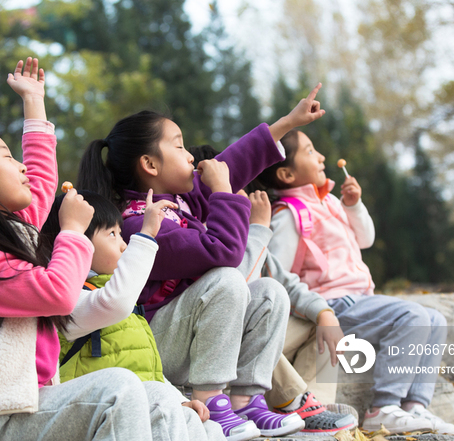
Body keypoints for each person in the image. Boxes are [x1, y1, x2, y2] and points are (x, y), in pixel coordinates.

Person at [0, 57, 180, 441]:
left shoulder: (6, 235)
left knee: (160, 398)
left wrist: (34, 101)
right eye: (6, 157)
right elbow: (59, 294)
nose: (21, 166)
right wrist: (73, 233)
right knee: (117, 390)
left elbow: (42, 179)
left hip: (22, 408)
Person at [76, 84, 326, 440]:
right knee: (226, 278)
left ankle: (245, 399)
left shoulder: (182, 202)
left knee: (270, 293)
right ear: (149, 164)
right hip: (159, 345)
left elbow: (234, 162)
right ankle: (211, 400)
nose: (190, 154)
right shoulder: (140, 221)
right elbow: (223, 250)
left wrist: (287, 123)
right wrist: (224, 192)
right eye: (178, 145)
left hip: (186, 336)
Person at [252, 129, 454, 435]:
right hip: (333, 303)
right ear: (286, 173)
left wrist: (353, 206)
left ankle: (415, 406)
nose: (321, 156)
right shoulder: (288, 214)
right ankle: (384, 407)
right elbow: (277, 273)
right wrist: (315, 310)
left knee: (435, 319)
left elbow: (366, 239)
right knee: (411, 316)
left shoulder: (332, 203)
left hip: (360, 300)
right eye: (310, 152)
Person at [188, 145, 356, 436]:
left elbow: (286, 281)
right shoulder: (201, 231)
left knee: (315, 325)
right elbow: (234, 283)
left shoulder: (242, 228)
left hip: (240, 346)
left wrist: (325, 313)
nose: (242, 196)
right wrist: (258, 229)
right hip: (210, 352)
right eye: (231, 186)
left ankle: (313, 408)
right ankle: (296, 402)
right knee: (255, 323)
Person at [41, 189, 227, 441]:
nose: (123, 243)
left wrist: (179, 401)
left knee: (208, 428)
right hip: (104, 419)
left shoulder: (124, 304)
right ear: (77, 242)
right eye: (112, 234)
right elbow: (115, 300)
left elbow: (151, 372)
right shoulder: (68, 301)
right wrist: (147, 235)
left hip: (144, 409)